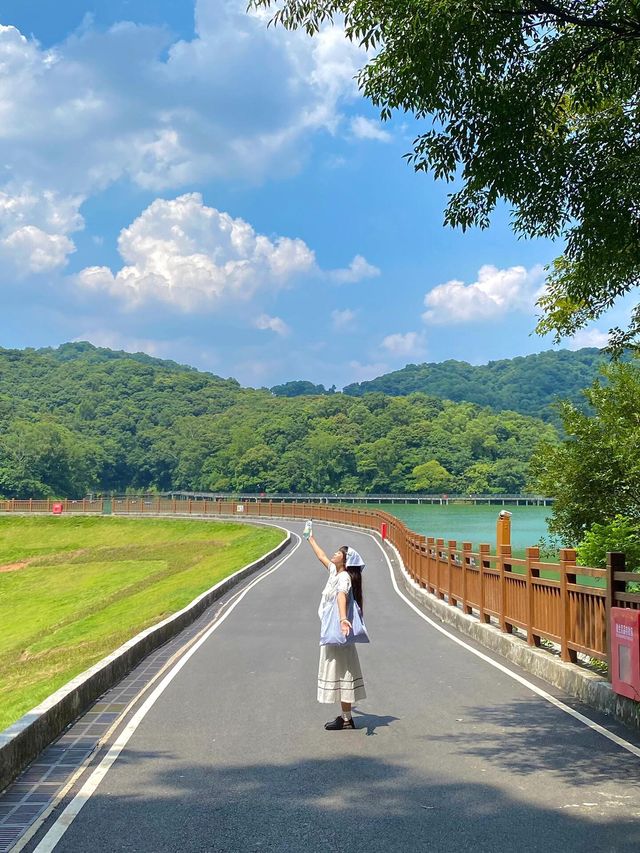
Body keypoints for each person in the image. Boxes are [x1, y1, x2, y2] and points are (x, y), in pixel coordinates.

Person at [307, 532, 366, 730]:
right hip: (334, 632)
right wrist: (311, 538)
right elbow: (321, 556)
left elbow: (341, 596)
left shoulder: (344, 578)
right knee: (343, 671)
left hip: (338, 633)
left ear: (346, 561)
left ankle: (346, 718)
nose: (335, 553)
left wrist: (342, 619)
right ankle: (347, 716)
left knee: (342, 672)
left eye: (340, 552)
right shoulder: (335, 571)